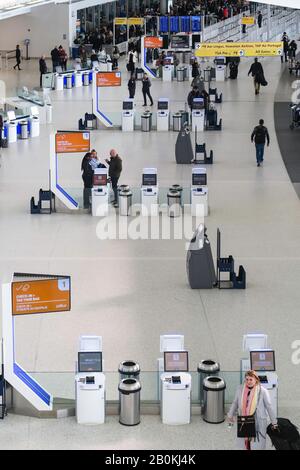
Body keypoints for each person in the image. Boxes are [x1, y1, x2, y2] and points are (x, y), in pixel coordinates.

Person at [227, 370, 277, 450]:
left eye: (251, 379)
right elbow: (235, 402)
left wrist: (274, 422)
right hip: (244, 420)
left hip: (258, 421)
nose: (248, 381)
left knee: (257, 445)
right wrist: (230, 414)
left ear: (256, 380)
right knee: (244, 443)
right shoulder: (240, 389)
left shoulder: (263, 391)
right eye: (247, 379)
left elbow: (269, 407)